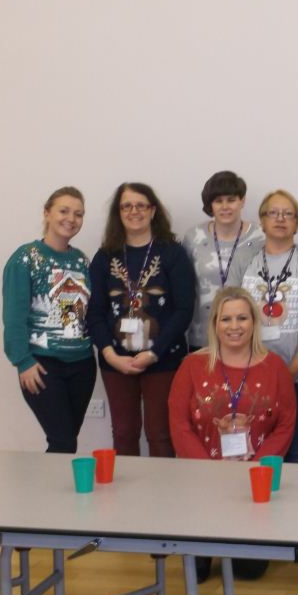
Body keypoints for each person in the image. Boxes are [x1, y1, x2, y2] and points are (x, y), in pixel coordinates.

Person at [168, 287, 296, 581]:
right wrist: (209, 470)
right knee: (196, 576)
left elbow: (286, 424)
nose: (234, 327)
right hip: (202, 482)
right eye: (226, 319)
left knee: (248, 572)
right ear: (214, 324)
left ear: (254, 322)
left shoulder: (275, 367)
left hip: (255, 482)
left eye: (242, 318)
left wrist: (257, 468)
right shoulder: (192, 366)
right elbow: (178, 423)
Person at [87, 182, 195, 457]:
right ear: (118, 212)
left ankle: (162, 498)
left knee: (160, 435)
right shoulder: (105, 257)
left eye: (141, 205)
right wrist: (110, 355)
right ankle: (124, 499)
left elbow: (184, 309)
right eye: (126, 206)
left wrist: (154, 353)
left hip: (163, 359)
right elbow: (95, 311)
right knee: (123, 435)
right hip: (116, 361)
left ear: (153, 210)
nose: (134, 211)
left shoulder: (172, 253)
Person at [230, 189, 298, 464]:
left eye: (288, 214)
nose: (280, 219)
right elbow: (228, 310)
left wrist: (293, 369)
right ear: (262, 221)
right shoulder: (243, 259)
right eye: (273, 213)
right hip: (247, 376)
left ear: (297, 222)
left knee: (297, 453)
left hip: (296, 375)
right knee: (247, 450)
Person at [2, 186, 96, 453]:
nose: (71, 219)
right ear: (47, 213)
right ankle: (49, 494)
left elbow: (73, 317)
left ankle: (61, 492)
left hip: (82, 365)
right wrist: (23, 361)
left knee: (67, 441)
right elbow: (13, 316)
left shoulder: (81, 261)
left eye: (79, 214)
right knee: (62, 441)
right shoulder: (25, 258)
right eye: (64, 211)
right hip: (42, 366)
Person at [182, 171, 264, 351]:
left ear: (242, 201)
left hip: (247, 336)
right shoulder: (193, 237)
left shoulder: (261, 236)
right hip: (202, 336)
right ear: (210, 205)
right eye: (218, 201)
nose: (225, 206)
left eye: (231, 199)